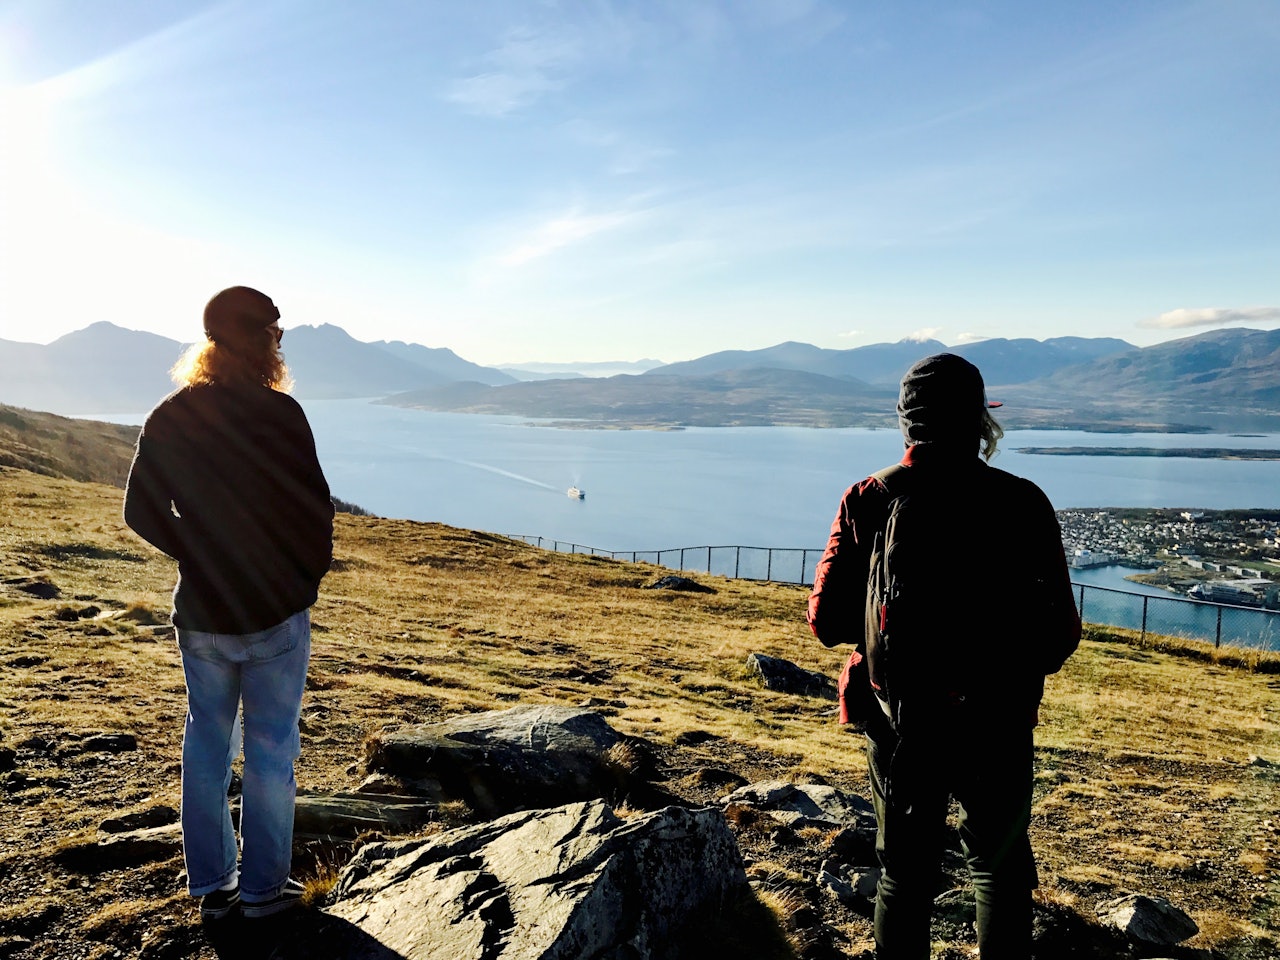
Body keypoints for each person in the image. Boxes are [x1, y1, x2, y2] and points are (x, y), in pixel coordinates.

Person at [807, 353, 1081, 960]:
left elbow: (826, 622)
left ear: (907, 423)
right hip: (999, 717)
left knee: (905, 873)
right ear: (980, 420)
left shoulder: (869, 497)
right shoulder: (1022, 501)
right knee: (998, 868)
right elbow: (1060, 631)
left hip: (898, 715)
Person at [124, 286, 334, 920]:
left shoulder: (173, 413)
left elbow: (140, 510)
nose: (279, 341)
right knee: (272, 748)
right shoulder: (281, 414)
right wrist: (302, 579)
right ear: (257, 338)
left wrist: (201, 551)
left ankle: (212, 885)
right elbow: (314, 512)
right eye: (275, 331)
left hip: (203, 614)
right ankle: (265, 892)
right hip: (275, 610)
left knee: (206, 744)